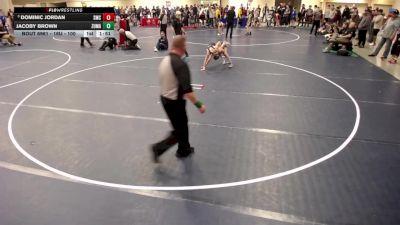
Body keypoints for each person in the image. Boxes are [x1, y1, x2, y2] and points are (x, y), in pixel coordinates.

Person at [151, 36, 206, 163]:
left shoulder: (165, 60)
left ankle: (184, 148)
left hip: (165, 98)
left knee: (182, 125)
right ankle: (158, 148)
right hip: (174, 102)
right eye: (185, 46)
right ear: (182, 47)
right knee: (179, 131)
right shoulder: (180, 64)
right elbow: (188, 90)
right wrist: (199, 105)